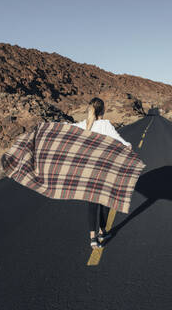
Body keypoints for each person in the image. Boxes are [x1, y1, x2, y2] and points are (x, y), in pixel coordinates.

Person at [68, 97, 132, 249]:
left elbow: (67, 128)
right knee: (105, 200)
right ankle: (103, 231)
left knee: (92, 203)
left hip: (88, 170)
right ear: (102, 110)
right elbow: (119, 140)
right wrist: (127, 145)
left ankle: (92, 238)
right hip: (104, 168)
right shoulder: (105, 124)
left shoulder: (84, 125)